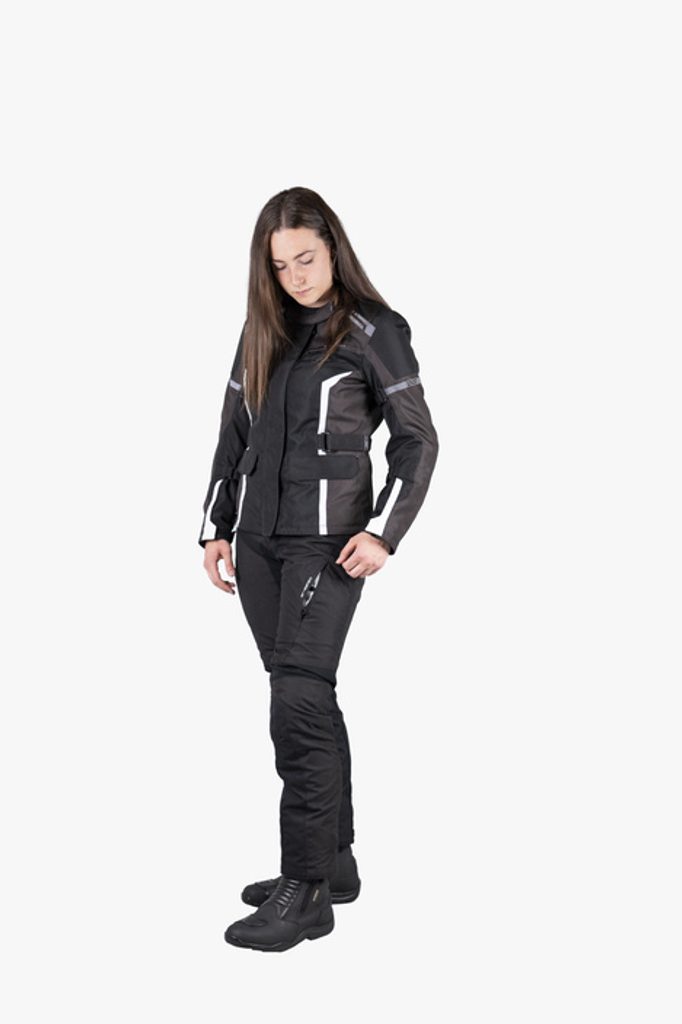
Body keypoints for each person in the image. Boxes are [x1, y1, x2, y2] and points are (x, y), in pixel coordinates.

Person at [198, 186, 439, 952]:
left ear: (332, 246)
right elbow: (233, 429)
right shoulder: (261, 329)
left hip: (327, 546)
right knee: (301, 695)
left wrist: (383, 532)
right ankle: (332, 862)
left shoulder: (375, 330)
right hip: (257, 543)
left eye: (306, 258)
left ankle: (303, 893)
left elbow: (418, 440)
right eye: (280, 265)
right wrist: (214, 528)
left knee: (296, 704)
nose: (295, 276)